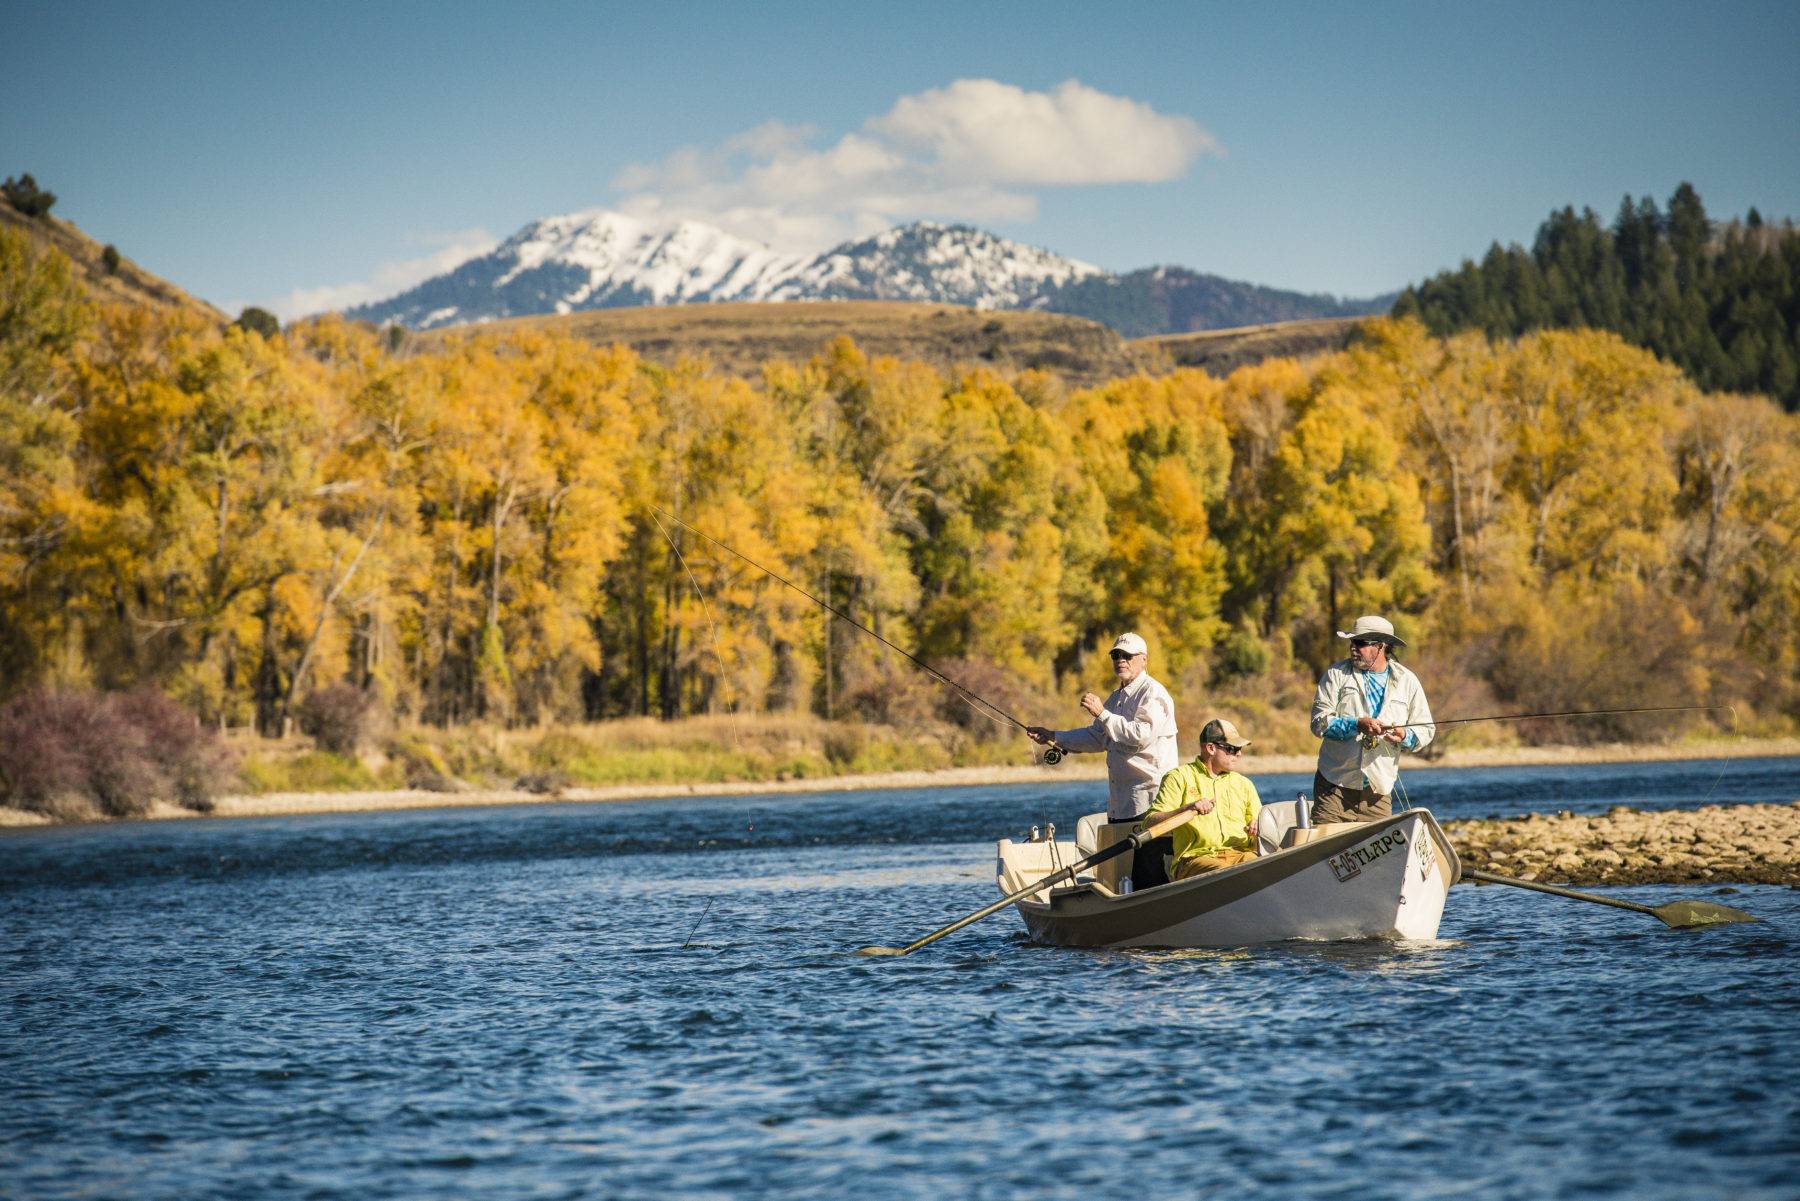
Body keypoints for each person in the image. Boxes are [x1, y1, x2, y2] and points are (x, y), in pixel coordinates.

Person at [1026, 632, 1178, 890]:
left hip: (1152, 802)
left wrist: (1102, 713)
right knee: (1124, 877)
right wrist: (1054, 736)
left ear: (1144, 659)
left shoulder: (1154, 694)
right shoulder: (1116, 698)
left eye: (1127, 656)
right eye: (1116, 655)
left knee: (1149, 876)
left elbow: (1140, 736)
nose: (1121, 660)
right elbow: (1096, 737)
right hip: (1121, 804)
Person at [1309, 615, 1434, 824]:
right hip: (1333, 786)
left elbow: (1426, 730)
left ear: (1381, 646)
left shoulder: (1407, 681)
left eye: (1360, 643)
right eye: (1352, 642)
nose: (1353, 648)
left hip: (1378, 791)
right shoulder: (1336, 674)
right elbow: (1319, 722)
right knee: (1325, 850)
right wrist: (1356, 724)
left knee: (1377, 855)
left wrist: (1405, 736)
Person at [1144, 718, 1263, 880]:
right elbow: (1149, 823)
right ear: (1211, 748)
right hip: (1194, 860)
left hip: (1242, 856)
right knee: (1229, 874)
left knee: (1266, 866)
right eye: (1232, 749)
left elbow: (1260, 836)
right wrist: (1187, 809)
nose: (1239, 754)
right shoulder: (1178, 777)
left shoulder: (1244, 784)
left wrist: (1257, 828)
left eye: (1239, 749)